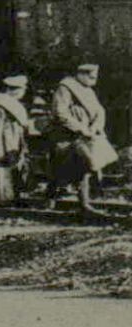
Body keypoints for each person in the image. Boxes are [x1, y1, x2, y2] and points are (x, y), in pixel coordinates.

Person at [48, 62, 115, 214]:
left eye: (95, 77)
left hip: (84, 135)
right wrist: (81, 128)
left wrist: (95, 127)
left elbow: (100, 111)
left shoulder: (88, 90)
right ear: (81, 75)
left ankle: (83, 204)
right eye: (91, 77)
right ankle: (50, 198)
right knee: (59, 168)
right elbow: (60, 113)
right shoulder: (65, 87)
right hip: (65, 134)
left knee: (83, 167)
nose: (94, 81)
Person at [0, 74, 35, 206]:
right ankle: (0, 198)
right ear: (15, 90)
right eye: (21, 90)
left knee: (13, 167)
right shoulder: (0, 103)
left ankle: (11, 197)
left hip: (13, 140)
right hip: (4, 141)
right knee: (0, 167)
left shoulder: (11, 103)